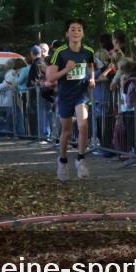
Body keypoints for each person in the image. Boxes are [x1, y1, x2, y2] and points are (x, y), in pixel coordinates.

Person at [48, 19, 96, 180]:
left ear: (83, 33)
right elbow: (50, 77)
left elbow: (90, 66)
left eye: (79, 29)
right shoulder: (60, 52)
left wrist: (92, 78)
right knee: (67, 131)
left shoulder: (88, 51)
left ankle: (81, 160)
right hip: (65, 95)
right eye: (73, 29)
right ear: (67, 33)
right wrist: (66, 69)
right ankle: (62, 161)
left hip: (81, 94)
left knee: (83, 126)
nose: (76, 32)